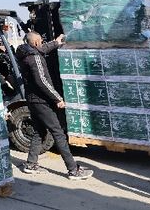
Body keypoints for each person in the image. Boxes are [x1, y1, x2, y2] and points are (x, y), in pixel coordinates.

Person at [16, 32, 93, 180]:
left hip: (32, 100)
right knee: (57, 132)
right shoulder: (35, 58)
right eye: (41, 41)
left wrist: (56, 42)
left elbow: (42, 49)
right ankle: (73, 170)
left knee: (39, 131)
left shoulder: (26, 53)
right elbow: (42, 81)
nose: (42, 44)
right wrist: (58, 98)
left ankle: (31, 164)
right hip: (41, 101)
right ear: (36, 42)